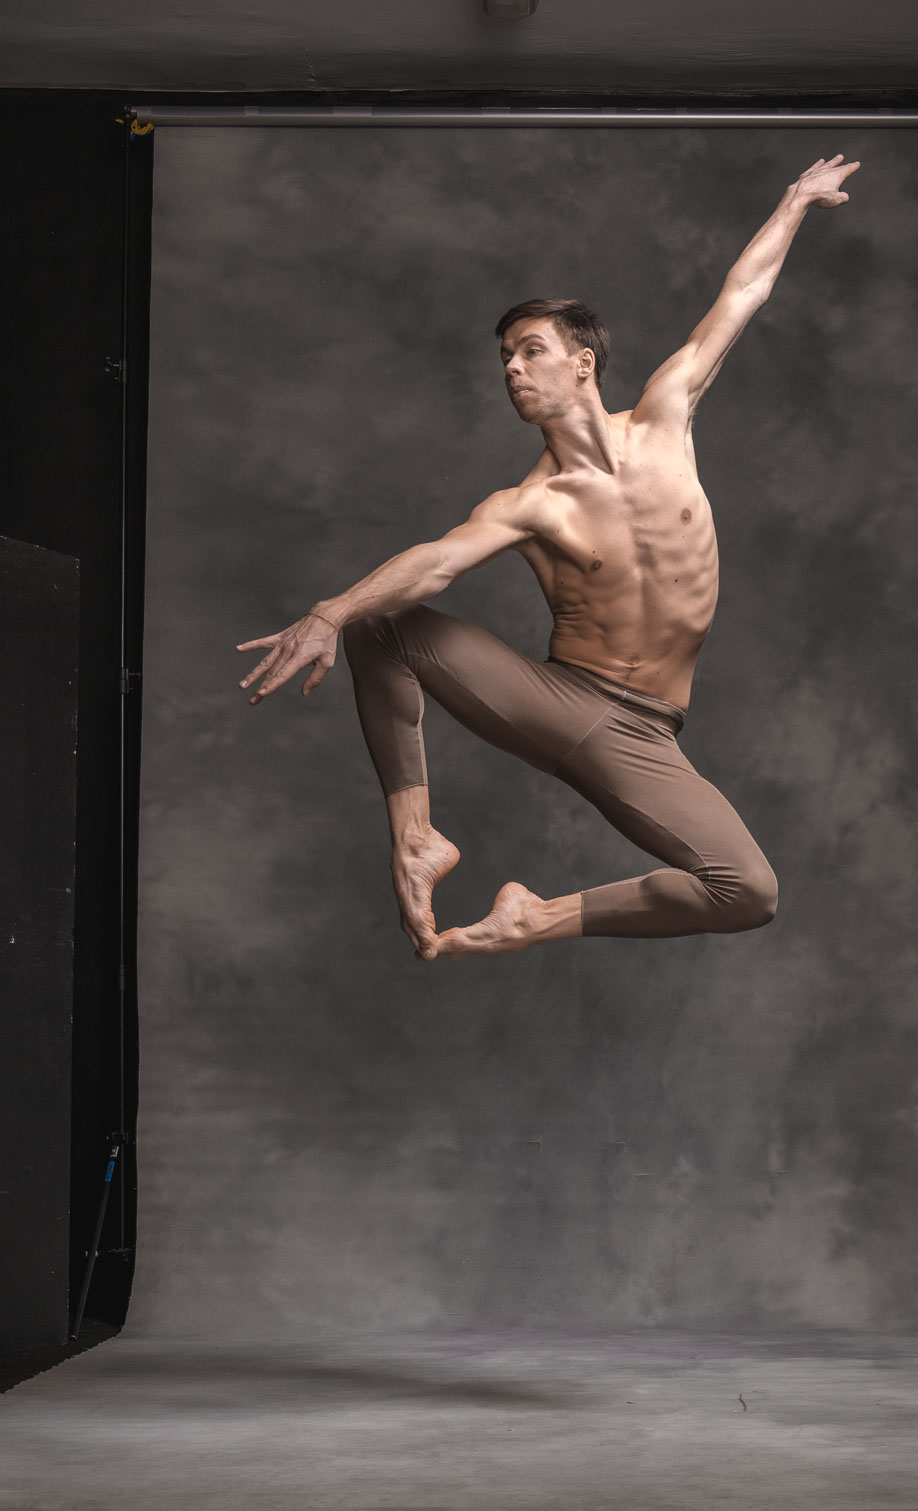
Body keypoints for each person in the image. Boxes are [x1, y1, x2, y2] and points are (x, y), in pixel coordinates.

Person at [237, 154, 860, 961]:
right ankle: (416, 838)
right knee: (380, 626)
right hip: (566, 701)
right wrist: (331, 611)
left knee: (747, 890)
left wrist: (795, 202)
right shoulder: (530, 504)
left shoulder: (667, 415)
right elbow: (438, 563)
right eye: (505, 358)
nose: (512, 368)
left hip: (649, 734)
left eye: (530, 351)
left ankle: (532, 918)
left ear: (582, 363)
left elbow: (743, 293)